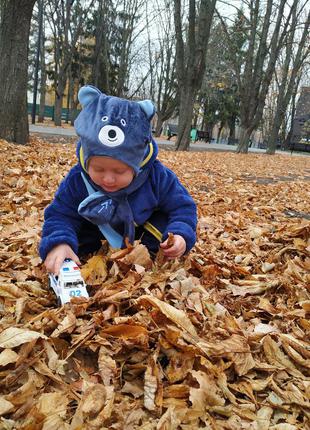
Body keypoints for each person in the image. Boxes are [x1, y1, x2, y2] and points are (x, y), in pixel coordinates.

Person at [39, 85, 197, 275]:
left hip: (142, 237)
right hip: (97, 234)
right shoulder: (78, 179)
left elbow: (182, 206)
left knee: (162, 224)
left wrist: (180, 234)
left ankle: (152, 255)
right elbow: (60, 213)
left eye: (120, 171)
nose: (108, 178)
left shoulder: (157, 176)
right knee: (74, 229)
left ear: (137, 165)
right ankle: (80, 252)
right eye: (98, 169)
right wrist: (58, 242)